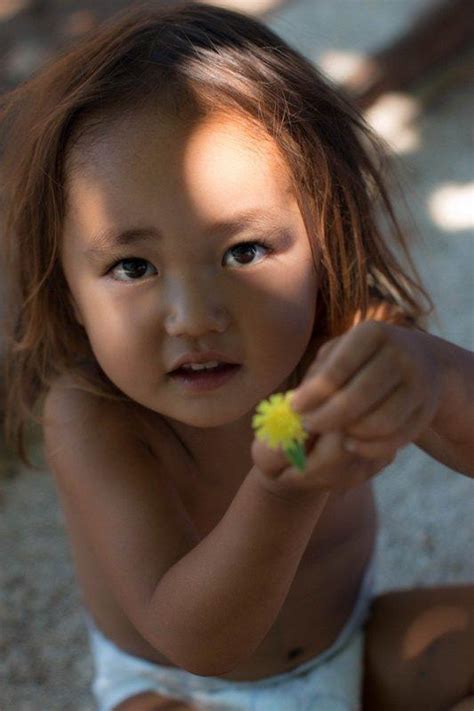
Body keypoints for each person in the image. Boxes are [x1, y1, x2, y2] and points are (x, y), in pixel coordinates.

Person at [1, 3, 473, 710]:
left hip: (350, 646)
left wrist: (431, 375)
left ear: (324, 240)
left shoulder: (347, 339)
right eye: (133, 267)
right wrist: (286, 491)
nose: (194, 319)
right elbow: (196, 640)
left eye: (243, 251)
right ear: (66, 286)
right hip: (180, 688)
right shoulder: (92, 417)